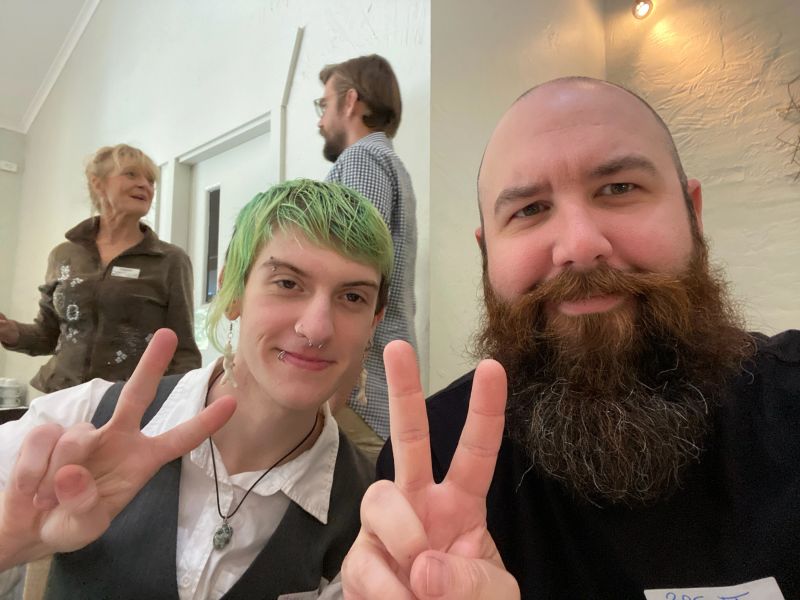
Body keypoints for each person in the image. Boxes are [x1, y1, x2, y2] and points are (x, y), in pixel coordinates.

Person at [340, 77, 800, 599]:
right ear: (487, 252)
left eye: (619, 188)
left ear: (693, 212)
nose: (580, 246)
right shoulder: (436, 465)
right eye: (530, 209)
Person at [0, 179, 393, 599]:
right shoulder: (83, 419)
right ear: (234, 291)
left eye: (352, 297)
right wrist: (13, 542)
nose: (316, 328)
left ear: (374, 321)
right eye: (287, 283)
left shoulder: (369, 516)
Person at [0, 144, 201, 393]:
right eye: (131, 174)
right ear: (98, 183)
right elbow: (49, 334)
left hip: (128, 403)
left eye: (150, 180)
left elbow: (184, 351)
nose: (145, 185)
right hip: (59, 397)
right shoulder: (64, 254)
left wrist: (174, 406)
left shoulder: (170, 260)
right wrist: (10, 331)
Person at [316, 54, 418, 458]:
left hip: (358, 393)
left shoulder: (360, 159)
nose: (320, 120)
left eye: (324, 105)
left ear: (350, 101)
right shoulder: (388, 161)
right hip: (375, 385)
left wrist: (334, 391)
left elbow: (353, 269)